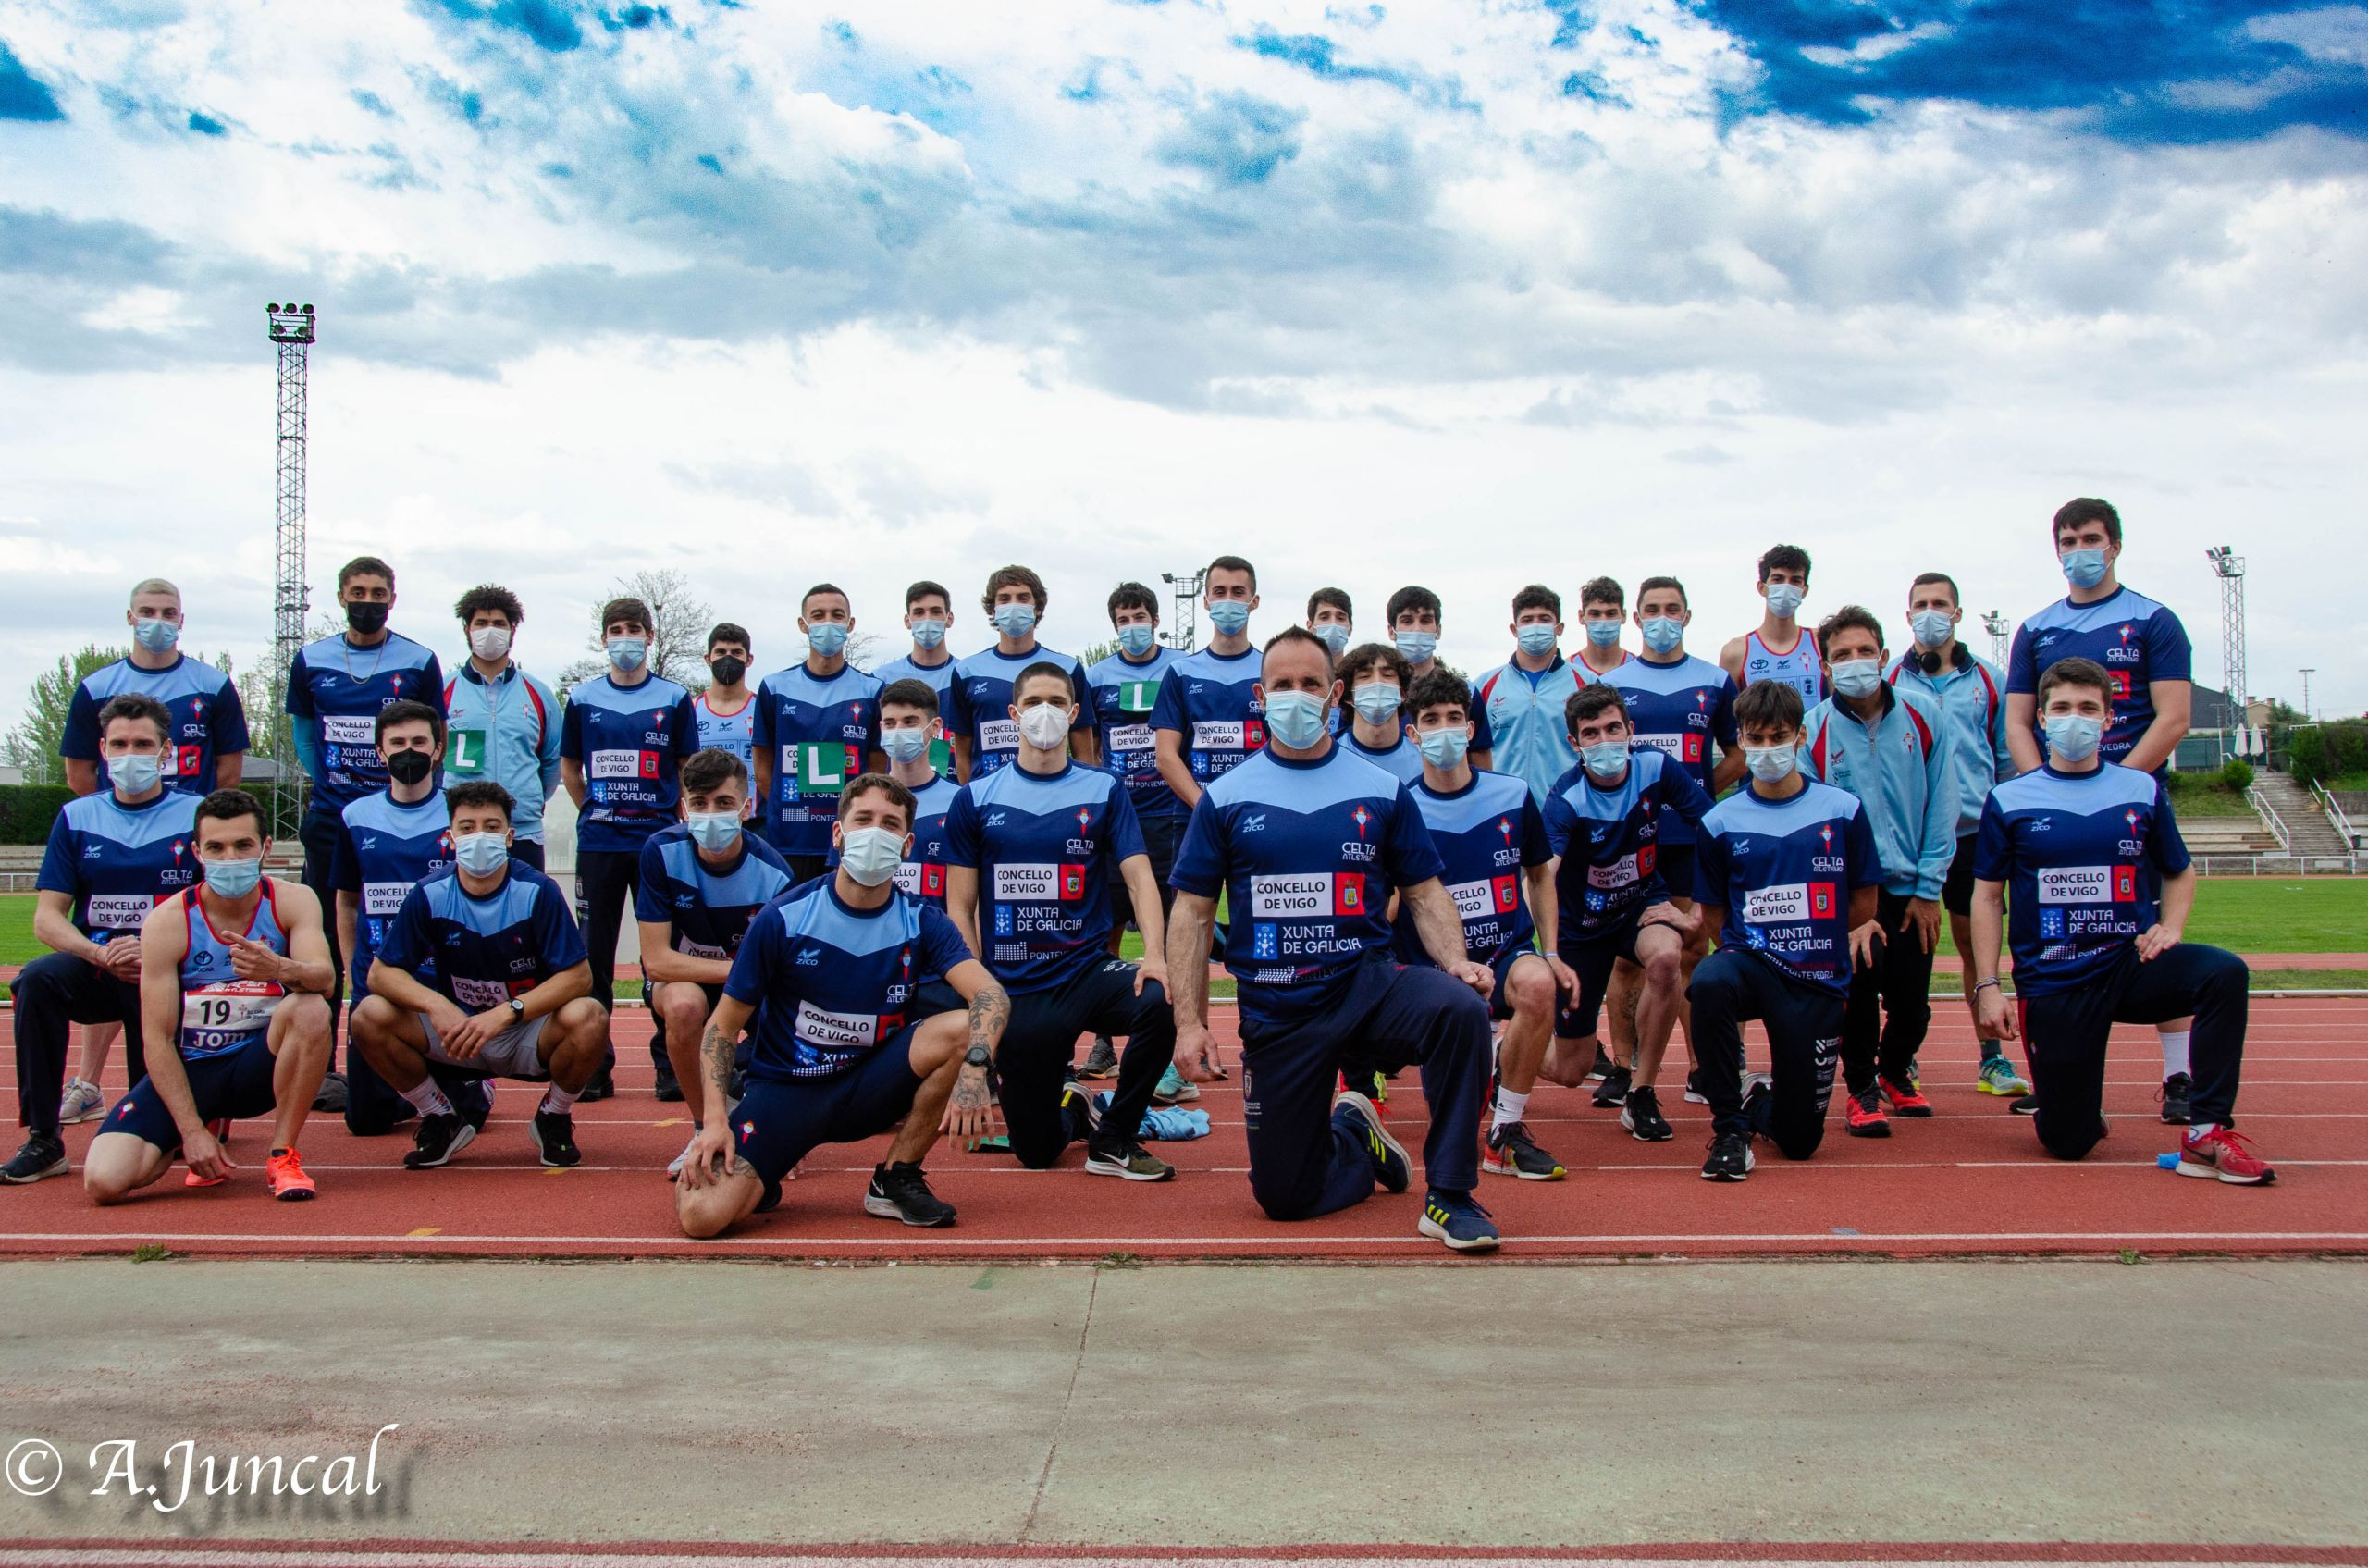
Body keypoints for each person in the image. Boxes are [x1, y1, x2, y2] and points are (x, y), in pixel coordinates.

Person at [1166, 628, 1500, 1252]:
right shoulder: (1226, 796)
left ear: (1335, 693)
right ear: (1261, 696)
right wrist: (1189, 1022)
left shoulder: (1381, 788)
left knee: (1460, 1011)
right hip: (1277, 1010)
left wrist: (1456, 960)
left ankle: (1451, 1195)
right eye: (1283, 685)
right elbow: (1190, 913)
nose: (1297, 696)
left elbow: (1425, 892)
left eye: (1311, 684)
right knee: (1284, 1200)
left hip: (1367, 986)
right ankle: (1353, 1131)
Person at [1970, 657, 2272, 1183]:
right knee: (2069, 1143)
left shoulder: (2140, 789)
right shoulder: (2009, 798)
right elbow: (1987, 898)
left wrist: (2171, 927)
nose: (2074, 719)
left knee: (2224, 973)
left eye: (2089, 708)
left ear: (2108, 719)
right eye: (2061, 708)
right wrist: (1989, 986)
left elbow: (2179, 872)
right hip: (2054, 980)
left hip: (2129, 965)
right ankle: (2076, 1112)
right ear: (2041, 718)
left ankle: (2206, 1131)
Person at [674, 775, 1010, 1235]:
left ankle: (897, 1176)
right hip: (786, 1091)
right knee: (701, 1217)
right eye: (864, 819)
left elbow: (990, 996)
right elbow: (720, 1028)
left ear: (907, 844)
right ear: (838, 834)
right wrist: (712, 1122)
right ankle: (764, 1168)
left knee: (961, 1028)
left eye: (890, 824)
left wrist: (976, 1068)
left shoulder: (923, 920)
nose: (876, 832)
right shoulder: (783, 918)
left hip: (869, 1085)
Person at [2006, 497, 2199, 1121]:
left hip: (2130, 809)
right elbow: (2017, 721)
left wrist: (2111, 788)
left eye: (2091, 537)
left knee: (2147, 936)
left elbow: (2173, 717)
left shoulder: (2153, 620)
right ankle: (2055, 1069)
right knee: (2051, 937)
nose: (2079, 549)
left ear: (2115, 544)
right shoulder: (2036, 629)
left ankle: (2179, 1076)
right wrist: (2052, 793)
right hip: (2052, 812)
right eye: (2068, 539)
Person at [944, 664, 1177, 1179]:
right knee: (1037, 1153)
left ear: (1073, 714)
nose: (1043, 711)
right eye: (1032, 702)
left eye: (1056, 701)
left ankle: (1114, 1138)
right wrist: (978, 991)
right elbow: (958, 906)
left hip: (1085, 974)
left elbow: (1140, 880)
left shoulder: (1105, 789)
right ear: (1014, 714)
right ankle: (1074, 1107)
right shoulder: (975, 798)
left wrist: (1155, 957)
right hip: (1017, 990)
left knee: (1159, 999)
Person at [80, 788, 335, 1204]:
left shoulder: (294, 901)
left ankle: (283, 1155)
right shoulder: (167, 922)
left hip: (261, 1065)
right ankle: (204, 1129)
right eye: (216, 847)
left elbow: (324, 978)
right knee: (104, 1182)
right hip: (193, 1070)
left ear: (265, 847)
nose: (230, 858)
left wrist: (279, 969)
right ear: (197, 851)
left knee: (309, 1009)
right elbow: (157, 1040)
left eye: (243, 845)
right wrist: (190, 1133)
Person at [352, 781, 610, 1170]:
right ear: (450, 837)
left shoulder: (537, 891)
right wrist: (436, 1005)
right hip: (456, 1032)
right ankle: (439, 1115)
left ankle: (554, 1116)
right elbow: (382, 974)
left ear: (509, 837)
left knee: (590, 1016)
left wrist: (507, 1012)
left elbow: (578, 977)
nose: (479, 837)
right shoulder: (429, 893)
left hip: (523, 1030)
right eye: (467, 827)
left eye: (491, 827)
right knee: (369, 1016)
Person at [1687, 681, 1882, 1180]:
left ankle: (1758, 1100)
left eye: (1778, 736)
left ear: (1799, 736)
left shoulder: (1843, 810)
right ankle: (1730, 1129)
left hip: (1817, 978)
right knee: (1709, 980)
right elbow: (1713, 915)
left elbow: (1863, 901)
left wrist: (1820, 943)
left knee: (1799, 1142)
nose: (1767, 748)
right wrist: (1746, 953)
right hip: (1752, 965)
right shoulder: (1719, 820)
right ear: (1743, 741)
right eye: (1755, 738)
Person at [5, 695, 203, 1182]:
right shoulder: (76, 817)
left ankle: (165, 1119)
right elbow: (47, 919)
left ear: (165, 751)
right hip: (101, 963)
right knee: (36, 981)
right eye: (119, 744)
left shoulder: (199, 815)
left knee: (151, 1132)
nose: (129, 753)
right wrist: (98, 952)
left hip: (172, 972)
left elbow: (224, 908)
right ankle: (44, 1139)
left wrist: (153, 949)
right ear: (102, 748)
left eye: (143, 743)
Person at [285, 555, 446, 1102]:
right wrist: (337, 792)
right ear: (341, 595)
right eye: (358, 591)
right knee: (327, 943)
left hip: (404, 813)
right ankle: (326, 1061)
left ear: (392, 598)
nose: (368, 600)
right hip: (335, 817)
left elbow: (431, 735)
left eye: (378, 592)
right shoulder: (311, 660)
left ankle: (441, 1061)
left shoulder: (420, 659)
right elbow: (306, 739)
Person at [1398, 670, 1565, 1180]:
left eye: (1454, 718)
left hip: (1507, 953)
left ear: (1471, 729)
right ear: (1413, 733)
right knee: (1453, 1116)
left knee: (1539, 984)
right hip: (1436, 971)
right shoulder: (1399, 805)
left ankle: (1506, 1131)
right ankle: (1477, 1076)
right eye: (1431, 720)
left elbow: (1539, 875)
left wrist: (1552, 953)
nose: (1444, 728)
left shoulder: (1513, 795)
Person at [1797, 607, 1956, 1138]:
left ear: (1884, 657)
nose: (1855, 662)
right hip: (1852, 894)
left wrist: (1929, 887)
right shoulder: (1813, 730)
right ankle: (1862, 1087)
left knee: (1912, 1004)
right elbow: (1809, 818)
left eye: (1865, 652)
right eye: (1842, 655)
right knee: (1858, 997)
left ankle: (1895, 1071)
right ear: (1825, 665)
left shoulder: (1923, 716)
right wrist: (1845, 903)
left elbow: (1943, 803)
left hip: (1913, 888)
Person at [1536, 684, 1714, 1142]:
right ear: (1575, 744)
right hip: (1582, 928)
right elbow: (1542, 876)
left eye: (1613, 728)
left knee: (1666, 959)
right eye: (1590, 734)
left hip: (1641, 905)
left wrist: (1698, 913)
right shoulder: (1565, 798)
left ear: (1630, 730)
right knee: (1571, 1070)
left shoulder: (1655, 766)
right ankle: (1503, 1051)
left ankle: (1642, 1092)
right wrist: (1550, 952)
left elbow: (1715, 828)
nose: (1605, 741)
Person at [1601, 575, 1741, 1104]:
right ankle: (1621, 1065)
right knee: (1627, 957)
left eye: (1672, 608)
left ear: (1687, 615)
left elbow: (1739, 752)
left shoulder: (1714, 680)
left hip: (1689, 839)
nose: (1663, 617)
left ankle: (1703, 1067)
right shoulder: (1616, 683)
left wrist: (1694, 794)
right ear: (1637, 619)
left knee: (1692, 948)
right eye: (1652, 609)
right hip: (1632, 840)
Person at [1889, 572, 2026, 1098]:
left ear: (1958, 613)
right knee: (1911, 954)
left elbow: (2008, 758)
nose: (1930, 612)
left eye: (1940, 603)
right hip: (1913, 837)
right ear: (1907, 616)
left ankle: (1992, 1059)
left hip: (1973, 835)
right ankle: (1905, 1057)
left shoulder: (1990, 679)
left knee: (1977, 949)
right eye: (1920, 604)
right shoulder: (1892, 679)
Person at [331, 700, 491, 1137]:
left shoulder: (459, 814)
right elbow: (347, 901)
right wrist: (351, 969)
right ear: (380, 753)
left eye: (419, 741)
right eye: (397, 743)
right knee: (365, 1123)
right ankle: (408, 1091)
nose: (409, 751)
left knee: (471, 1118)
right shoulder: (355, 816)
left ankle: (469, 1086)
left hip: (444, 981)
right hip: (378, 980)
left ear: (438, 750)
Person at [560, 595, 697, 1099]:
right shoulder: (582, 698)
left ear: (649, 636)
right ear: (604, 638)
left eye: (634, 629)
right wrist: (592, 809)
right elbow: (571, 771)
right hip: (598, 843)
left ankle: (669, 1067)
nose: (625, 638)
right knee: (592, 958)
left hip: (656, 843)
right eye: (616, 629)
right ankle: (593, 1067)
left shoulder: (675, 698)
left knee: (660, 956)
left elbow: (687, 769)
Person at [637, 748, 796, 1178]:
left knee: (784, 1018)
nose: (711, 815)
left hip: (749, 985)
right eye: (700, 804)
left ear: (747, 808)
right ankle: (702, 1124)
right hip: (689, 978)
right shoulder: (659, 852)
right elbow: (656, 961)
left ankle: (766, 1126)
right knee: (686, 1007)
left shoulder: (775, 874)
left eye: (724, 804)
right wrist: (739, 972)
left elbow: (781, 972)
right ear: (683, 807)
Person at [1081, 584, 1185, 1080]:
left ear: (1156, 618)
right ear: (1114, 624)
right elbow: (1090, 744)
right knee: (1108, 926)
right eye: (1123, 618)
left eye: (1140, 615)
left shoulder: (1178, 668)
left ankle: (1167, 1040)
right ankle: (1103, 1043)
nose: (1132, 625)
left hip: (1165, 814)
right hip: (1113, 814)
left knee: (1160, 927)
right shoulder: (1096, 676)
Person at [62, 578, 248, 797]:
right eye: (148, 612)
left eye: (168, 613)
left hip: (191, 824)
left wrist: (198, 812)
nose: (158, 621)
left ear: (181, 620)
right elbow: (78, 774)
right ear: (131, 617)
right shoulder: (95, 688)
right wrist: (114, 809)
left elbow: (230, 772)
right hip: (120, 825)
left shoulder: (215, 685)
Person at [751, 586, 885, 883]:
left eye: (837, 616)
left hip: (848, 839)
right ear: (803, 624)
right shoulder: (774, 687)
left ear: (850, 624)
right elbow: (762, 767)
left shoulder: (872, 690)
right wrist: (790, 812)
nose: (828, 623)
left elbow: (877, 767)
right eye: (818, 615)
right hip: (788, 839)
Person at [439, 584, 561, 872]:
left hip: (523, 831)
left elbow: (552, 760)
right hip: (463, 832)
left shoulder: (539, 693)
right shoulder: (444, 689)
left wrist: (527, 800)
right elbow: (432, 758)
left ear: (512, 631)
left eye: (499, 623)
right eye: (481, 623)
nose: (490, 630)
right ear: (467, 629)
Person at [945, 565, 1098, 781]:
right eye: (1005, 599)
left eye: (1023, 598)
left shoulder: (1069, 668)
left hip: (1053, 788)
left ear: (1037, 608)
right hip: (989, 795)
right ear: (993, 609)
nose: (1014, 605)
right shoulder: (966, 671)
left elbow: (1083, 751)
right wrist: (970, 798)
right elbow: (962, 754)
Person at [1153, 556, 1269, 812]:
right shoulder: (1181, 672)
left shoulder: (1270, 670)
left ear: (1254, 602)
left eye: (1238, 592)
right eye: (1219, 592)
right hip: (1194, 816)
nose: (1228, 599)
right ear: (1206, 602)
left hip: (1258, 813)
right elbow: (1165, 756)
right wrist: (1205, 807)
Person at [1471, 584, 1580, 801]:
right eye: (1528, 620)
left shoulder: (1586, 683)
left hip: (1568, 807)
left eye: (1544, 619)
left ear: (1559, 628)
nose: (1536, 626)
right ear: (1514, 629)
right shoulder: (1484, 685)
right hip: (1503, 806)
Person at [1387, 586, 1493, 767]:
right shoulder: (1378, 692)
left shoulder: (1468, 691)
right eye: (1407, 621)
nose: (1417, 629)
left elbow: (1480, 759)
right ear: (1391, 631)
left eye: (1426, 620)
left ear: (1438, 630)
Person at [1720, 544, 1824, 708]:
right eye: (1778, 579)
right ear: (1762, 588)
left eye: (1795, 581)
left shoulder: (1821, 642)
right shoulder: (1736, 652)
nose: (1786, 587)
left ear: (1804, 590)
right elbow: (1726, 721)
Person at [871, 580, 961, 710]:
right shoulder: (882, 679)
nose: (927, 619)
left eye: (935, 612)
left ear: (949, 619)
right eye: (919, 613)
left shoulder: (965, 675)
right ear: (908, 621)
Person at [693, 623, 758, 772]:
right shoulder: (691, 709)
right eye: (721, 652)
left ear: (749, 660)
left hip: (750, 796)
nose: (728, 658)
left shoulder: (763, 709)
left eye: (736, 652)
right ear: (708, 659)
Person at [1572, 576, 1632, 685]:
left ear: (1624, 616)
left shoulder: (1635, 666)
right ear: (1581, 616)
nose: (1603, 620)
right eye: (1595, 614)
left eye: (1611, 614)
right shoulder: (1569, 670)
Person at [1306, 587, 1355, 661]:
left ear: (1350, 628)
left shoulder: (1358, 671)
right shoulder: (1296, 670)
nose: (1333, 623)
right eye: (1324, 617)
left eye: (1340, 618)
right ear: (1310, 627)